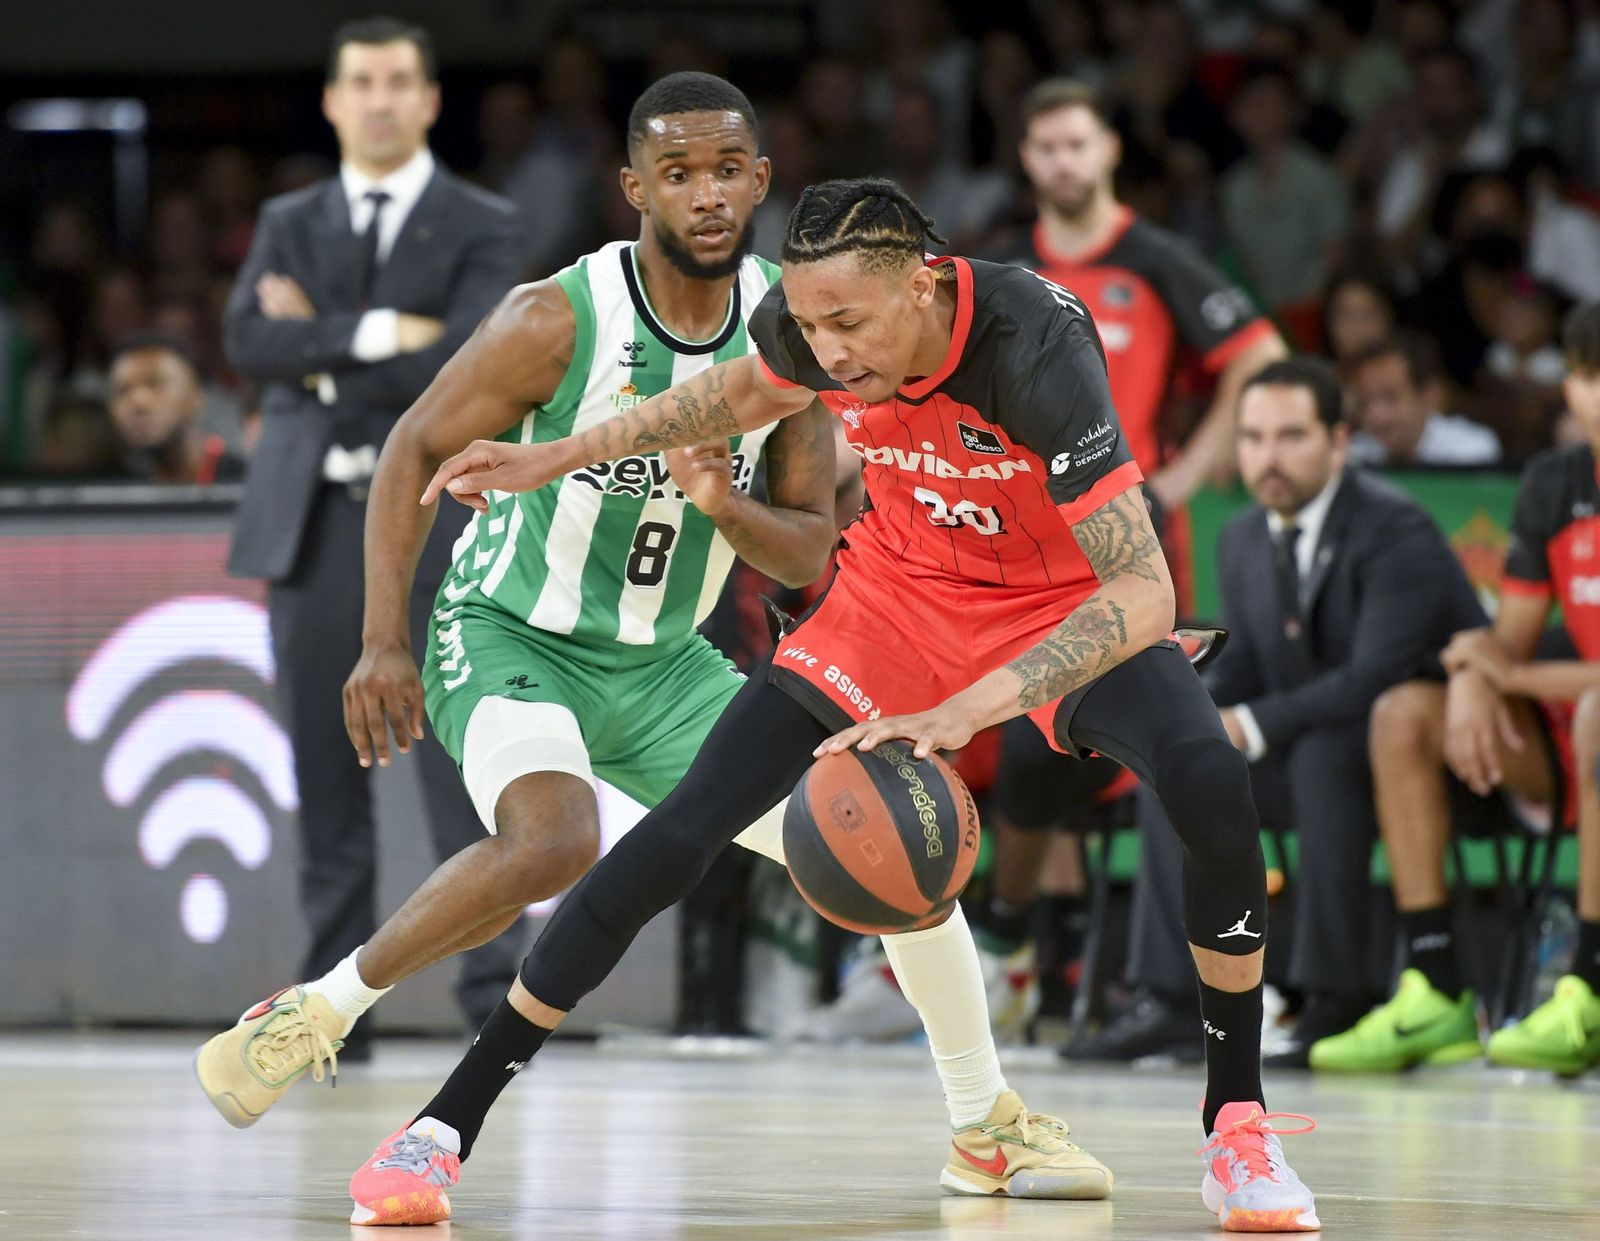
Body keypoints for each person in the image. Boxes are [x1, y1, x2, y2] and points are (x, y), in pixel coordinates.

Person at [196, 76, 1110, 1222]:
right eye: (678, 173)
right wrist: (382, 641)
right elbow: (410, 446)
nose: (707, 193)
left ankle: (984, 1122)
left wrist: (727, 508)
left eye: (728, 168)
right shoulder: (556, 319)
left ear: (761, 180)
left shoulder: (799, 325)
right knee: (556, 835)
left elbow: (804, 550)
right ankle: (317, 1012)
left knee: (897, 854)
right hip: (509, 628)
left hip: (669, 663)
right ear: (635, 188)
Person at [385, 178, 1323, 1232]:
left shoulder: (1032, 344)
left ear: (923, 287)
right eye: (812, 324)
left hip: (1054, 598)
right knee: (685, 825)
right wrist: (555, 452)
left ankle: (1235, 1124)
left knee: (1206, 774)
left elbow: (1143, 588)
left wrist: (966, 708)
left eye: (848, 324)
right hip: (897, 594)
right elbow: (736, 395)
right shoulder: (806, 323)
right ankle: (443, 1126)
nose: (826, 353)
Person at [220, 17, 526, 1049]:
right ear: (334, 98)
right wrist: (377, 335)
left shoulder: (483, 220)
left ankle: (496, 997)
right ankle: (327, 1011)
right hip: (309, 527)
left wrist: (315, 348)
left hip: (441, 526)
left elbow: (469, 372)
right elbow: (243, 339)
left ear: (431, 100)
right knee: (324, 774)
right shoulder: (287, 216)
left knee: (465, 766)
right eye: (363, 81)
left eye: (401, 80)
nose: (382, 97)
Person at [1094, 357, 1487, 1066]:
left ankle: (1334, 997)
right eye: (1251, 438)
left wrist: (1256, 724)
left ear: (1339, 440)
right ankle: (1174, 999)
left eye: (1290, 436)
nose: (1266, 458)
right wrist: (1193, 713)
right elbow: (1248, 664)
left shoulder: (1396, 529)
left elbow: (1375, 677)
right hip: (1317, 749)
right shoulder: (1242, 534)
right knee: (1179, 763)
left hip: (1422, 768)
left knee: (1323, 751)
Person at [1312, 302, 1600, 1074]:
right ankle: (1435, 985)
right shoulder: (1554, 483)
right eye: (1588, 375)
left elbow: (1525, 664)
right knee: (1404, 711)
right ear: (1570, 387)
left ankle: (1589, 985)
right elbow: (1505, 638)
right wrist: (1474, 677)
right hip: (1553, 748)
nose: (1596, 393)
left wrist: (1508, 672)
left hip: (1590, 726)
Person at [998, 78, 1286, 593]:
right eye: (1047, 148)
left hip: (1137, 514)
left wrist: (1188, 472)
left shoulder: (1157, 259)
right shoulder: (1006, 270)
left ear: (1110, 150)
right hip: (1028, 525)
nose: (1063, 162)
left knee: (1150, 672)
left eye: (1077, 145)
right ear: (1025, 157)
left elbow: (1261, 352)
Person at [1347, 332, 1502, 467]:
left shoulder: (1471, 451)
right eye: (1365, 402)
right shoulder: (1353, 457)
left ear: (1429, 396)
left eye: (1390, 398)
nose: (1376, 416)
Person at [107, 334, 245, 484]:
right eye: (122, 390)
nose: (139, 402)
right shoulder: (111, 492)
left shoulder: (247, 481)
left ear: (197, 398)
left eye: (156, 384)